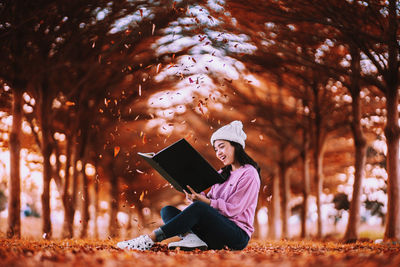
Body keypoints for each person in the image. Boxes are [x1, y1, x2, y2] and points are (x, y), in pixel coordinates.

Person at [117, 120, 261, 251]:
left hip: (236, 235)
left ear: (236, 145)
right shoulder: (223, 173)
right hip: (215, 233)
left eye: (221, 147)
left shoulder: (249, 173)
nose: (218, 153)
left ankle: (149, 239)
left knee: (199, 208)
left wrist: (203, 202)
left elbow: (233, 209)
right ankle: (193, 238)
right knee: (167, 211)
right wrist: (195, 195)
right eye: (216, 149)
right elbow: (210, 201)